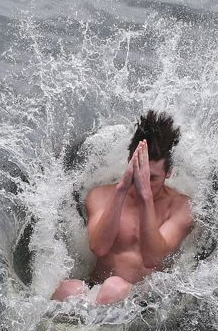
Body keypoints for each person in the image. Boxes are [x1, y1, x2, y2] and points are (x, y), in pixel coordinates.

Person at [52, 110, 194, 305]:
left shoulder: (181, 207)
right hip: (98, 287)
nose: (142, 181)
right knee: (68, 289)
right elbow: (99, 248)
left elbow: (152, 257)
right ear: (129, 163)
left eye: (152, 178)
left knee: (114, 287)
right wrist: (121, 190)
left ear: (169, 172)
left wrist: (145, 197)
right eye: (139, 172)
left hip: (141, 301)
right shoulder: (100, 195)